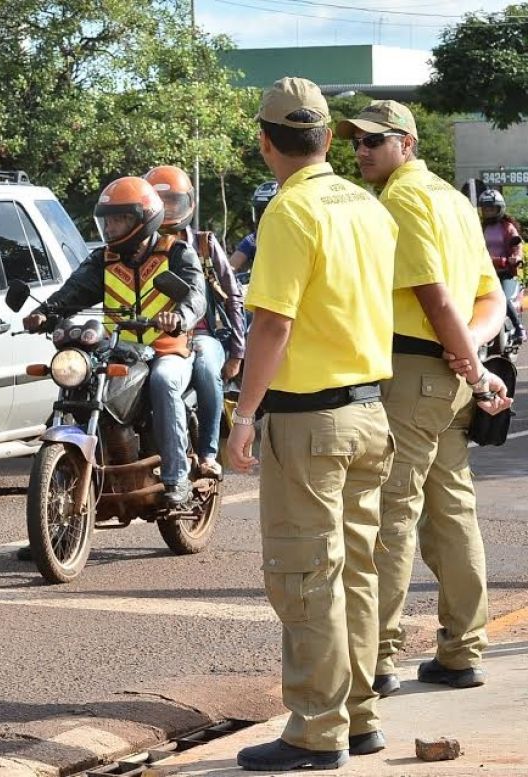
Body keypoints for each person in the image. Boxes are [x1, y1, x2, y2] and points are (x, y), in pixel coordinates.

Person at [225, 77, 397, 771]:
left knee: (305, 574)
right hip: (368, 412)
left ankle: (315, 729)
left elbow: (274, 323)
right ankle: (359, 716)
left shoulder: (289, 212)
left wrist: (243, 413)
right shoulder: (367, 205)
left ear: (266, 143)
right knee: (355, 572)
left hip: (310, 421)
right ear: (328, 137)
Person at [337, 100, 511, 698]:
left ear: (406, 144)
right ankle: (463, 651)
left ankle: (379, 657)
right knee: (454, 511)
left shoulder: (403, 199)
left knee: (392, 515)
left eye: (374, 141)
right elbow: (492, 301)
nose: (361, 151)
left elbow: (433, 294)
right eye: (356, 142)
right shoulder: (455, 202)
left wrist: (464, 353)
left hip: (412, 369)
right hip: (451, 373)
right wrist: (473, 361)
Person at [23, 176, 206, 505]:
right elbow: (72, 292)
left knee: (164, 383)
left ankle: (176, 476)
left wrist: (179, 318)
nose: (110, 228)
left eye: (119, 219)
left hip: (168, 349)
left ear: (143, 219)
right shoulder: (103, 259)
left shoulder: (176, 253)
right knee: (81, 377)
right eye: (107, 220)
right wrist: (45, 313)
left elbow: (195, 296)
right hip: (120, 349)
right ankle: (48, 509)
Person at [144, 165, 245, 478]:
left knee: (204, 367)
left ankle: (207, 454)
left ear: (189, 204)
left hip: (200, 336)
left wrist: (238, 353)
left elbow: (233, 296)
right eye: (162, 204)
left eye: (175, 201)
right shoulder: (139, 245)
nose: (169, 209)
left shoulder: (203, 245)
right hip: (148, 336)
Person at [478, 188, 526, 344]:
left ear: (499, 208)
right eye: (485, 208)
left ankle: (519, 328)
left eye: (491, 207)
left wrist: (516, 257)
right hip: (486, 272)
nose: (488, 211)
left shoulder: (507, 227)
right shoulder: (480, 228)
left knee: (501, 297)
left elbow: (516, 245)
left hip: (505, 273)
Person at [229, 180, 278, 272]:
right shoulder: (253, 239)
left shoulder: (293, 238)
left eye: (268, 213)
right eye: (260, 213)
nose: (263, 218)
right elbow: (231, 267)